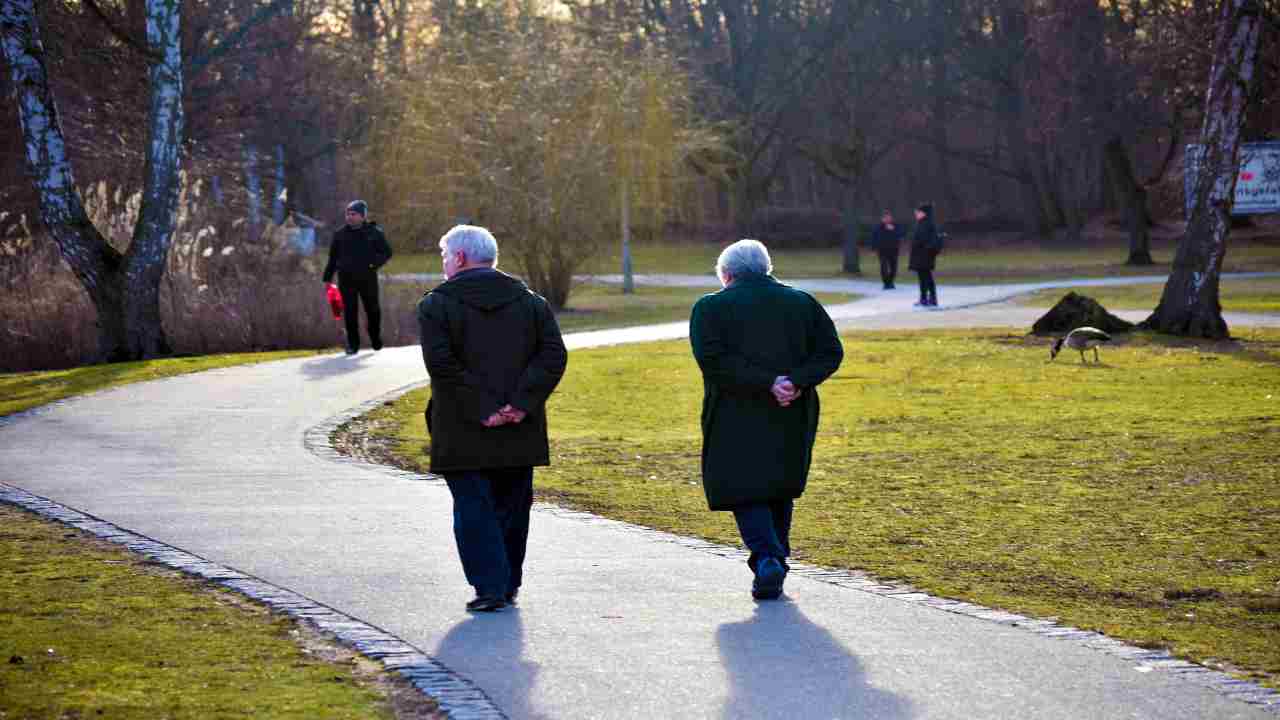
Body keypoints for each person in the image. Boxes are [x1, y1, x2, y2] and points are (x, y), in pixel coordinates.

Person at [417, 225, 568, 612]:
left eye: (445, 256)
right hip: (521, 426)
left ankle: (490, 586)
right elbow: (552, 357)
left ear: (461, 258)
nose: (445, 263)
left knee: (473, 506)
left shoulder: (436, 305)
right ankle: (508, 582)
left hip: (461, 425)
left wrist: (484, 409)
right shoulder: (533, 303)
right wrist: (518, 405)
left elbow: (442, 365)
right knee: (513, 505)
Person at [689, 240, 844, 600]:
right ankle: (774, 560)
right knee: (779, 484)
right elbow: (830, 352)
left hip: (734, 412)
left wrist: (766, 382)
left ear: (726, 275)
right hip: (792, 409)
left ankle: (768, 558)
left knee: (743, 485)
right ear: (767, 268)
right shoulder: (803, 303)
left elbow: (713, 362)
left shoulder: (711, 308)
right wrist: (794, 382)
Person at [323, 200, 393, 354]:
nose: (349, 217)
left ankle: (375, 337)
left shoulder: (374, 232)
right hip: (346, 279)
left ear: (362, 216)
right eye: (348, 214)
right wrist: (327, 279)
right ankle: (353, 345)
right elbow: (333, 259)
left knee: (373, 310)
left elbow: (387, 252)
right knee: (350, 312)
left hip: (368, 278)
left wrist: (373, 265)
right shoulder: (340, 235)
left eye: (353, 214)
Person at [908, 203, 941, 307]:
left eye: (918, 212)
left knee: (925, 278)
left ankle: (928, 299)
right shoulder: (923, 223)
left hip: (924, 255)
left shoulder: (926, 224)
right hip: (922, 255)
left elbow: (924, 240)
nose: (916, 214)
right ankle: (928, 299)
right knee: (925, 277)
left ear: (924, 213)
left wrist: (925, 249)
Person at [869, 210, 906, 290]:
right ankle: (886, 283)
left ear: (891, 218)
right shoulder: (878, 227)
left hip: (893, 250)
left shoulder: (896, 226)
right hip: (882, 250)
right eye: (885, 218)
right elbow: (874, 238)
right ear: (882, 218)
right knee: (883, 266)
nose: (887, 219)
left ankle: (891, 282)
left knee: (893, 267)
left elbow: (901, 235)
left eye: (888, 217)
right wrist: (873, 248)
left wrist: (893, 230)